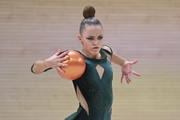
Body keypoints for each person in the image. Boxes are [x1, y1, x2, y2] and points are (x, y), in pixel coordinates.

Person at [31, 5, 140, 120]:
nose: (96, 43)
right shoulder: (72, 58)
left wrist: (125, 64)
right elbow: (34, 69)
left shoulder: (106, 52)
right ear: (80, 38)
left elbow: (120, 60)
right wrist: (47, 63)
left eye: (100, 37)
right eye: (90, 38)